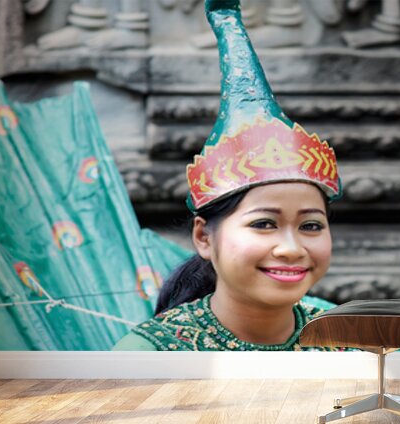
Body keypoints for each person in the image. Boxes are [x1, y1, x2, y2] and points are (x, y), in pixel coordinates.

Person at [112, 0, 343, 351]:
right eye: (264, 223)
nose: (292, 248)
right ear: (204, 237)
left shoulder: (351, 342)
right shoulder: (148, 356)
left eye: (311, 225)